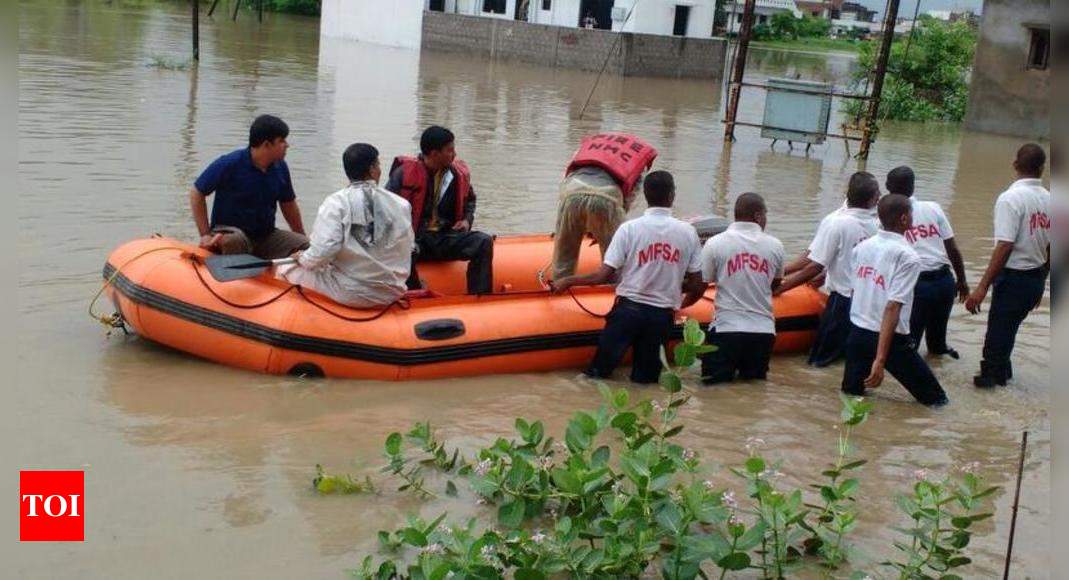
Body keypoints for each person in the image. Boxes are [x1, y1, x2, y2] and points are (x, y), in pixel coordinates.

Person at [550, 171, 706, 383]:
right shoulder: (688, 233)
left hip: (627, 313)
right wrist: (679, 304)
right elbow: (697, 285)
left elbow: (602, 276)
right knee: (645, 382)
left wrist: (567, 280)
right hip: (660, 317)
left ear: (646, 195)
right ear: (672, 196)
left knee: (595, 376)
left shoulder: (629, 229)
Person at [842, 194, 949, 406]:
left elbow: (855, 292)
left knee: (851, 396)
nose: (912, 218)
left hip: (858, 333)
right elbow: (892, 306)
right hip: (891, 340)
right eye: (911, 214)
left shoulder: (861, 248)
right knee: (937, 401)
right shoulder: (908, 256)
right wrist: (880, 360)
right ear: (904, 219)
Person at [276, 144, 414, 308]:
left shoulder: (336, 203)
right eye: (378, 165)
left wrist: (302, 259)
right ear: (371, 169)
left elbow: (324, 249)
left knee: (285, 268)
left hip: (354, 292)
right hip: (393, 290)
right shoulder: (401, 204)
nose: (379, 169)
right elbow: (408, 246)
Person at [966, 143, 1051, 388]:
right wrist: (1041, 282)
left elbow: (1004, 246)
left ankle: (992, 399)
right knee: (1006, 331)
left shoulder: (1010, 199)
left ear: (1015, 165)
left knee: (996, 341)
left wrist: (982, 287)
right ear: (1042, 168)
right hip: (1034, 278)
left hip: (1015, 278)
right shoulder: (1051, 200)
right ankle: (1005, 380)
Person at [775, 172, 881, 366]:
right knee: (850, 357)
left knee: (819, 360)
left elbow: (815, 264)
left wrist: (781, 287)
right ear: (874, 199)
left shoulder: (837, 222)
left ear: (846, 193)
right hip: (869, 300)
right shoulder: (878, 224)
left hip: (843, 302)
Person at [386, 126, 493, 295]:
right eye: (450, 150)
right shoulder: (403, 175)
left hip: (444, 237)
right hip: (415, 240)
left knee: (483, 241)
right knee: (405, 248)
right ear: (434, 153)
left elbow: (470, 200)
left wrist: (466, 220)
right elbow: (386, 210)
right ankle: (414, 295)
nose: (454, 154)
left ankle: (479, 297)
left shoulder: (456, 175)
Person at [190, 115, 309, 259]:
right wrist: (205, 235)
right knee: (233, 241)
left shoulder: (280, 168)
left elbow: (288, 204)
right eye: (282, 141)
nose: (287, 145)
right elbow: (197, 193)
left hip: (265, 236)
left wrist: (302, 237)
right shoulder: (230, 164)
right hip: (230, 233)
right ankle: (230, 272)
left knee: (304, 244)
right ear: (267, 145)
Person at [698, 193, 785, 384]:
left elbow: (703, 282)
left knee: (712, 393)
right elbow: (775, 284)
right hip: (763, 332)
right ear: (758, 216)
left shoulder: (715, 243)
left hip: (726, 329)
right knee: (753, 390)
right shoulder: (775, 245)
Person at [885, 166, 969, 358]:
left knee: (908, 344)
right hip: (944, 282)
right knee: (938, 346)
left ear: (888, 187)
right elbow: (952, 248)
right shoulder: (933, 208)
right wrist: (961, 281)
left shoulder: (884, 216)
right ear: (913, 187)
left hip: (916, 285)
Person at [552, 133, 658, 279]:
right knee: (615, 259)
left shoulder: (588, 146)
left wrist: (567, 224)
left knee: (564, 258)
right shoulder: (637, 156)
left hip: (570, 193)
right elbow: (630, 196)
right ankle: (612, 291)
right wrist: (604, 225)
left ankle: (560, 287)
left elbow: (567, 176)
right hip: (606, 198)